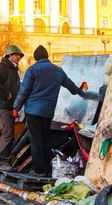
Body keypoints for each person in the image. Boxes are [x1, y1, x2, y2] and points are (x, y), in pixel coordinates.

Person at [13, 45, 87, 177]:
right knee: (45, 140)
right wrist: (80, 88)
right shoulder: (58, 70)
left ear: (36, 58)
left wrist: (16, 108)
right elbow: (72, 89)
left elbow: (24, 91)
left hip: (33, 112)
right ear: (47, 56)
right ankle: (48, 170)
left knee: (36, 141)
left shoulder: (32, 70)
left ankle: (39, 171)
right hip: (47, 112)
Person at [0, 45, 24, 171]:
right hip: (4, 106)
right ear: (9, 55)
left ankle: (3, 161)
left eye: (20, 55)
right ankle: (3, 163)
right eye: (17, 55)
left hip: (9, 106)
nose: (19, 57)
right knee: (8, 134)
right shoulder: (3, 67)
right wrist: (6, 93)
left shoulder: (12, 69)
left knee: (9, 134)